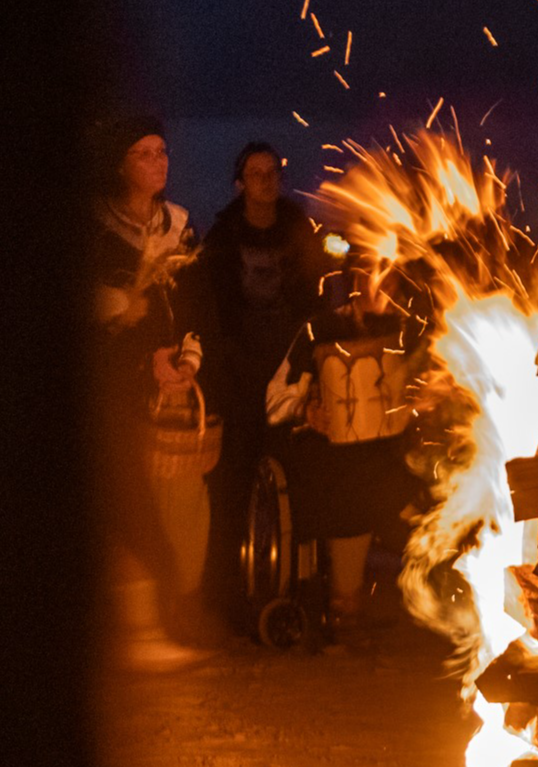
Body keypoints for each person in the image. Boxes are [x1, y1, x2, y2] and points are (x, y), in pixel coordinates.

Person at [86, 114, 214, 668]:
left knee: (166, 506)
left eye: (162, 150)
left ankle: (160, 620)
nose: (159, 161)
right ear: (120, 163)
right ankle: (135, 631)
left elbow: (191, 307)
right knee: (126, 506)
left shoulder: (179, 228)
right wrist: (119, 309)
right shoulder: (93, 229)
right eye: (144, 153)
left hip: (165, 389)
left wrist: (185, 357)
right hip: (111, 386)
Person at [196, 142, 328, 630]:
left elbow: (313, 300)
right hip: (237, 375)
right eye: (256, 173)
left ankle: (302, 589)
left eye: (273, 172)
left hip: (290, 372)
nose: (267, 181)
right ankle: (227, 596)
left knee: (299, 476)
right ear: (240, 182)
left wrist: (307, 367)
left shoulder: (298, 229)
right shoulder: (225, 236)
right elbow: (212, 311)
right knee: (232, 484)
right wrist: (226, 375)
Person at [263, 256, 430, 631]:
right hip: (336, 459)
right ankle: (346, 600)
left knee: (437, 473)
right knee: (357, 483)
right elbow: (276, 398)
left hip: (397, 454)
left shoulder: (410, 333)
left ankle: (443, 596)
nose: (380, 283)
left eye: (390, 275)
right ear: (356, 277)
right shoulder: (321, 329)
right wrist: (306, 410)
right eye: (372, 272)